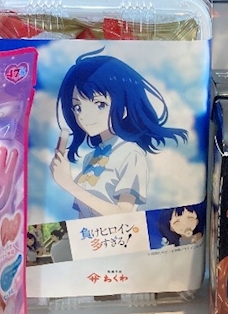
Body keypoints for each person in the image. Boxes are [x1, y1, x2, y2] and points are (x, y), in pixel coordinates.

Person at [49, 48, 187, 219]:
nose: (84, 116)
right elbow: (82, 216)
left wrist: (68, 184)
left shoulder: (131, 154)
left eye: (100, 104)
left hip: (118, 235)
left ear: (124, 107)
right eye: (78, 107)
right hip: (90, 235)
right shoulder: (90, 158)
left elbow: (124, 214)